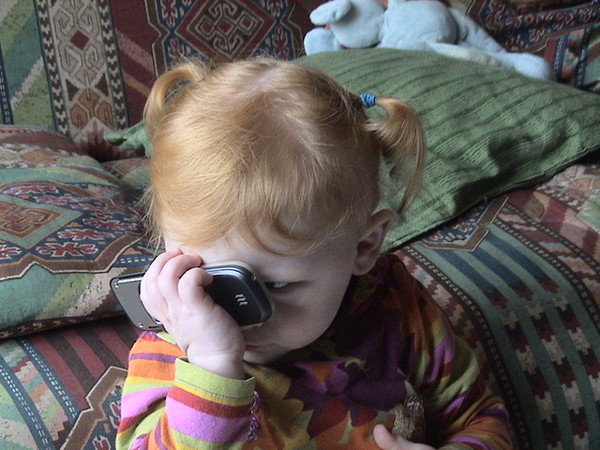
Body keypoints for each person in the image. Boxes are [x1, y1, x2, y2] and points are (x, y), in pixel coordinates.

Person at [116, 57, 512, 449]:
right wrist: (213, 367)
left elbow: (479, 418)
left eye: (276, 285)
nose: (239, 318)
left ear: (364, 247)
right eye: (209, 283)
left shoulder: (397, 306)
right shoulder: (171, 353)